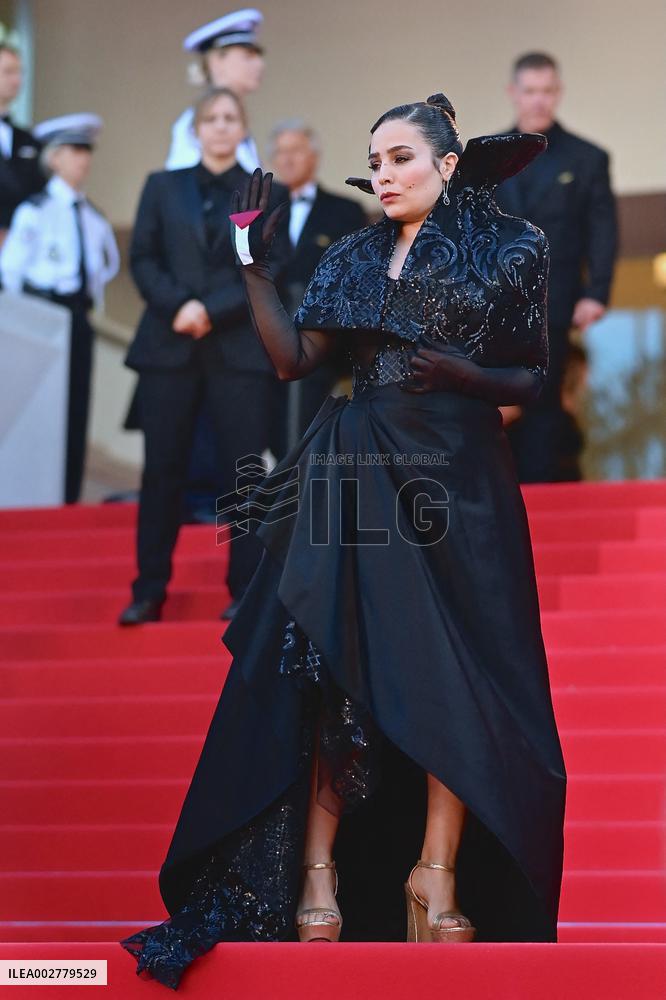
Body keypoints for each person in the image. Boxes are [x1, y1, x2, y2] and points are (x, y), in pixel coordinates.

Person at [120, 93, 567, 990]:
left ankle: (434, 875)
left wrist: (463, 373)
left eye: (403, 157)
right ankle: (316, 871)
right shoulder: (355, 254)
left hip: (462, 482)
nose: (387, 172)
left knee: (465, 676)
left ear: (447, 163)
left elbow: (531, 369)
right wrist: (254, 261)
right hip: (356, 468)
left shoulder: (514, 246)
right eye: (378, 159)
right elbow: (293, 359)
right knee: (328, 663)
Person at [118, 87, 289, 627]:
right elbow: (142, 257)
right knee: (162, 472)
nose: (219, 126)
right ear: (194, 130)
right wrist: (180, 306)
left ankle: (242, 592)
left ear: (242, 128)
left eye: (229, 117)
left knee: (243, 473)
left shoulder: (265, 190)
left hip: (237, 349)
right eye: (210, 118)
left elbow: (267, 264)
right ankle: (148, 591)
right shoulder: (161, 186)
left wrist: (211, 311)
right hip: (169, 346)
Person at [495, 51, 618, 482]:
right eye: (530, 90)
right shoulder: (487, 158)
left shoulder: (587, 158)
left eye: (547, 90)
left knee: (544, 397)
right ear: (514, 93)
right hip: (494, 305)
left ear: (558, 93)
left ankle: (542, 499)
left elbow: (602, 231)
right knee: (493, 398)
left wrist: (595, 293)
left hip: (558, 297)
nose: (539, 100)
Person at [0, 113, 119, 504]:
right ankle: (33, 496)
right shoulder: (34, 211)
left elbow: (106, 268)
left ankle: (68, 495)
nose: (82, 159)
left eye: (86, 150)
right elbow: (12, 271)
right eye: (73, 150)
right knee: (38, 410)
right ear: (53, 158)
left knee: (76, 405)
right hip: (41, 317)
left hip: (77, 316)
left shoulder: (93, 218)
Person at [269, 118, 367, 453]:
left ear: (314, 156)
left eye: (295, 150)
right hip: (263, 344)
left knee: (312, 432)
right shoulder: (256, 214)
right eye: (280, 152)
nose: (288, 159)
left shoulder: (345, 211)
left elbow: (354, 277)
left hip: (319, 343)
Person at [166, 9, 264, 172]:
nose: (259, 65)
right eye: (248, 56)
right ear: (217, 62)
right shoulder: (194, 124)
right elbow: (184, 189)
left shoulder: (244, 133)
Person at [0, 43, 43, 245]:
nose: (17, 80)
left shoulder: (28, 138)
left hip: (24, 245)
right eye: (8, 72)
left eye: (19, 72)